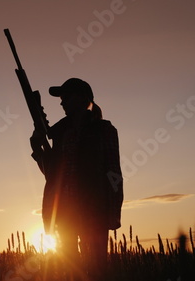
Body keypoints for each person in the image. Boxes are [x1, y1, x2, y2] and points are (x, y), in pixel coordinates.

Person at [30, 78, 123, 280]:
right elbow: (51, 175)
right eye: (61, 99)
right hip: (65, 212)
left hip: (94, 210)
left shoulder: (104, 130)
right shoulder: (61, 133)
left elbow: (114, 173)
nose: (62, 103)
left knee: (98, 270)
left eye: (66, 97)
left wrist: (112, 212)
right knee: (70, 270)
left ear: (82, 98)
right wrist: (37, 148)